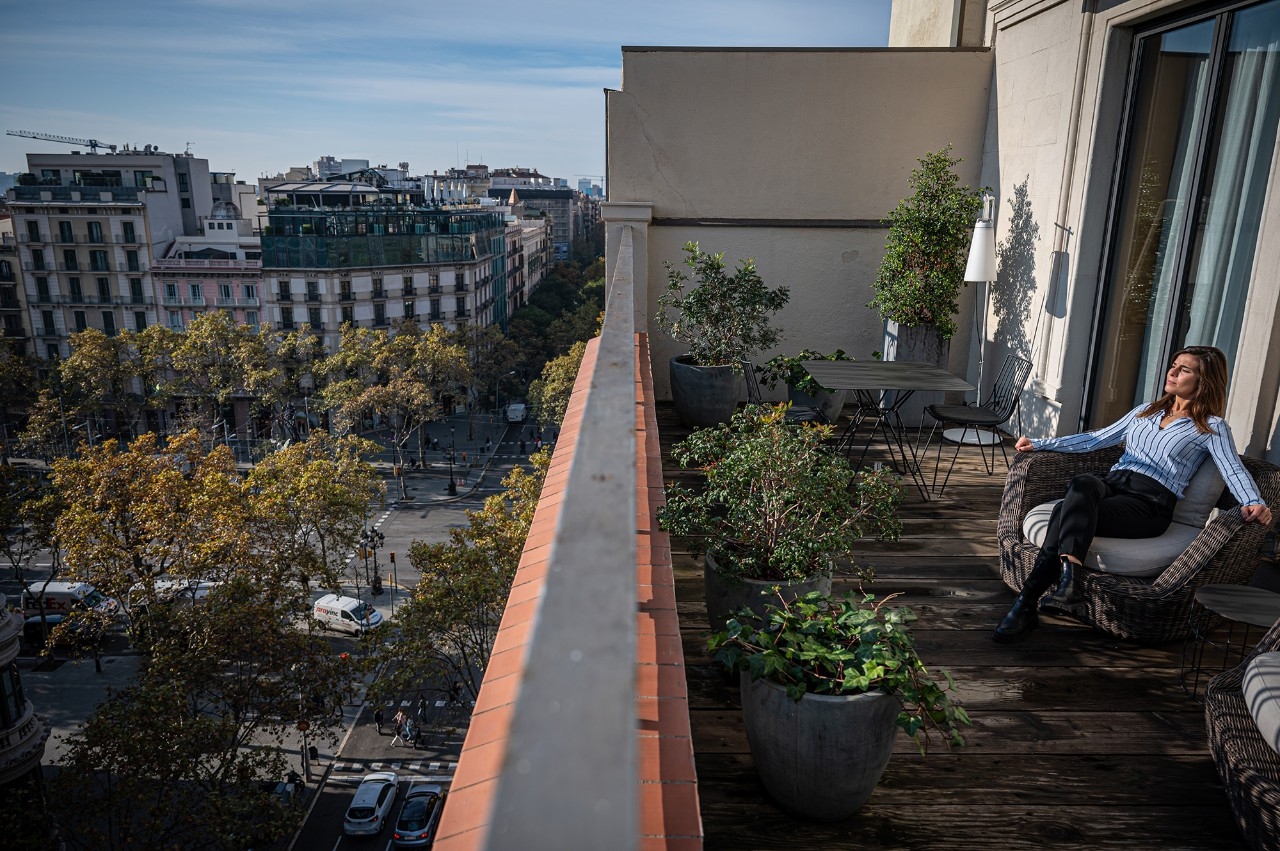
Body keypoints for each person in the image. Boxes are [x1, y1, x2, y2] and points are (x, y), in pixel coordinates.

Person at [994, 346, 1273, 643]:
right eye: (1174, 365)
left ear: (1204, 382)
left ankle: (1026, 603)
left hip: (1149, 504)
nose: (1173, 373)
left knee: (1065, 511)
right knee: (1084, 482)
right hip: (1113, 484)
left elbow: (1232, 468)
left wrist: (1254, 501)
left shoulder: (1211, 427)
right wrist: (1040, 444)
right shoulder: (1145, 411)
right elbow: (1096, 439)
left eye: (1184, 370)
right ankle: (1067, 585)